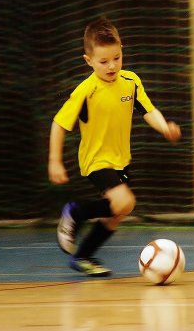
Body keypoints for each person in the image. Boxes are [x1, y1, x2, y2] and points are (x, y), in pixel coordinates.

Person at [48, 17, 181, 276]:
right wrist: (54, 160)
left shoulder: (130, 82)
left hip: (121, 159)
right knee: (124, 201)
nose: (111, 66)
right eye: (103, 61)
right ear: (89, 61)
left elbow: (148, 110)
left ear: (122, 52)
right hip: (96, 160)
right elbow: (59, 124)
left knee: (121, 210)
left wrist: (165, 127)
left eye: (116, 58)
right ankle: (75, 212)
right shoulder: (86, 90)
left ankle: (83, 256)